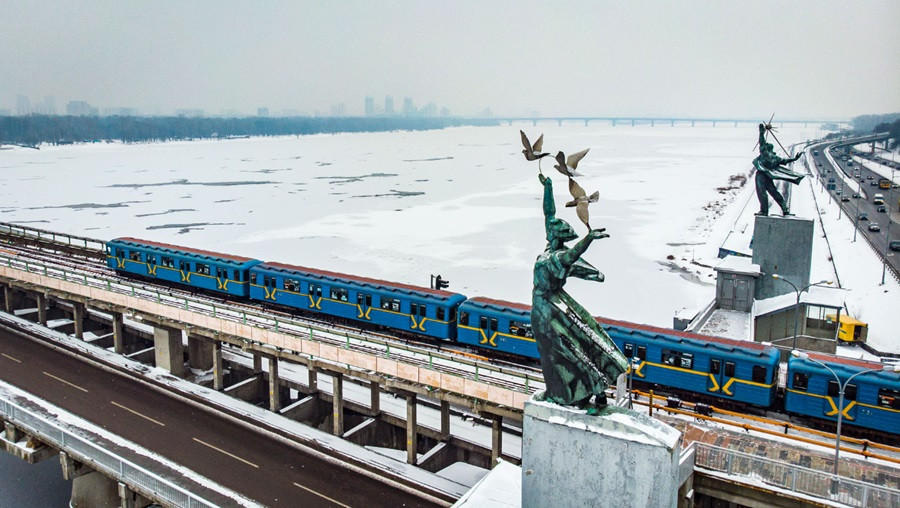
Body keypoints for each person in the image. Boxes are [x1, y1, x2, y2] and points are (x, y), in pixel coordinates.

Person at [530, 174, 628, 407]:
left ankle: (577, 389)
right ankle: (595, 389)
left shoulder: (557, 257)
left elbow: (573, 255)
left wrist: (588, 239)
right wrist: (549, 188)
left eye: (551, 230)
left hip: (546, 306)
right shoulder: (550, 249)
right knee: (576, 343)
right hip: (554, 302)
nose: (549, 230)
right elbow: (549, 213)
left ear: (555, 235)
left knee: (559, 351)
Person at [754, 123, 803, 216]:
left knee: (762, 194)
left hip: (760, 176)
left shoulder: (766, 154)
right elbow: (785, 160)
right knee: (775, 193)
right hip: (768, 176)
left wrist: (761, 133)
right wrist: (795, 158)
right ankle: (785, 209)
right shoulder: (776, 158)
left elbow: (762, 142)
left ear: (767, 149)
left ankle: (764, 211)